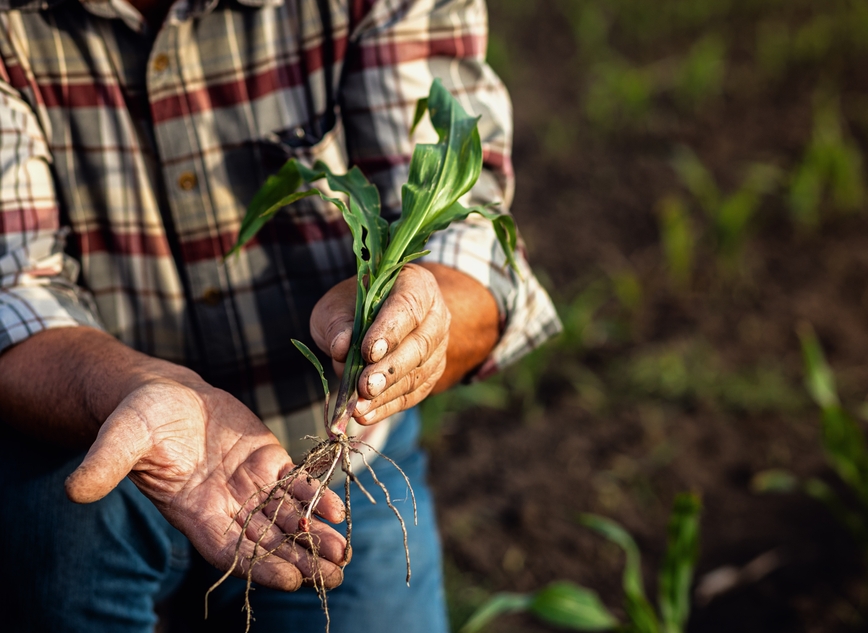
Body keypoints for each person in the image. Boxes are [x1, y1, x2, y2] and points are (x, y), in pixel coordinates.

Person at [0, 0, 560, 630]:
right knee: (58, 523)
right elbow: (14, 289)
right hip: (85, 445)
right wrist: (132, 387)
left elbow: (467, 245)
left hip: (339, 471)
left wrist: (420, 321)